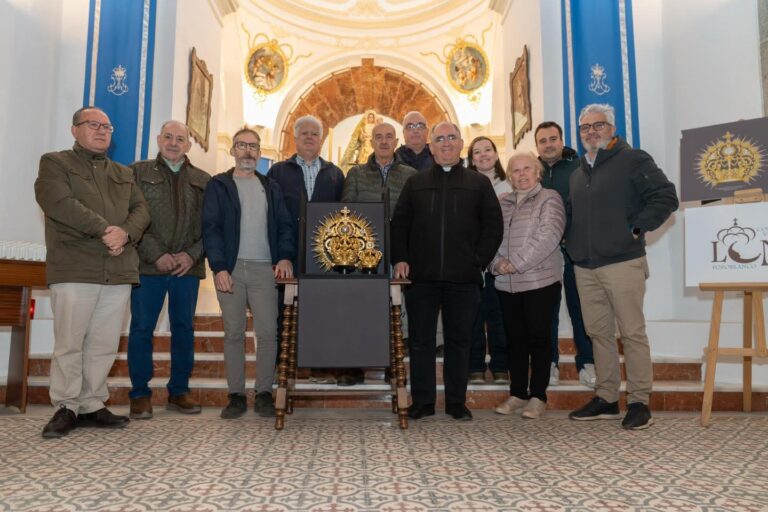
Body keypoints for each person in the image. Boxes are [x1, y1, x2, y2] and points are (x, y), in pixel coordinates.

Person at [34, 106, 150, 438]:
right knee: (70, 343)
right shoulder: (55, 163)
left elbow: (141, 210)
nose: (101, 131)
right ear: (75, 130)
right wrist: (105, 231)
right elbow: (59, 203)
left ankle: (91, 403)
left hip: (118, 268)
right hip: (75, 267)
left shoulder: (123, 172)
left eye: (107, 127)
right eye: (93, 124)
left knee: (104, 343)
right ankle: (66, 406)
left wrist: (125, 233)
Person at [567, 104, 678, 430]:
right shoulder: (577, 174)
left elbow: (666, 196)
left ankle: (640, 401)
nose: (591, 132)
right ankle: (606, 398)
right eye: (585, 127)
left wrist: (637, 228)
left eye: (598, 125)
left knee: (631, 333)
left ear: (612, 128)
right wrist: (573, 243)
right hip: (585, 266)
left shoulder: (633, 159)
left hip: (623, 262)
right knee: (598, 334)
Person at [391, 121, 503, 421]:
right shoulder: (415, 183)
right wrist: (401, 258)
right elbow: (399, 224)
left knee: (459, 341)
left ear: (461, 143)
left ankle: (456, 402)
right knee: (421, 341)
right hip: (422, 278)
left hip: (464, 278)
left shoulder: (478, 183)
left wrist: (478, 260)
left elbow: (493, 226)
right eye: (440, 139)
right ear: (431, 147)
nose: (446, 143)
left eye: (452, 137)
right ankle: (423, 402)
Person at [202, 127, 296, 419]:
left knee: (267, 334)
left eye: (253, 146)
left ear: (259, 152)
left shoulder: (271, 187)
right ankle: (236, 396)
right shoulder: (219, 185)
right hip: (231, 269)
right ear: (233, 150)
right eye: (242, 145)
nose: (248, 151)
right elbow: (211, 228)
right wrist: (218, 267)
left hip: (264, 269)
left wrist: (284, 256)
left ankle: (264, 393)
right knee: (233, 333)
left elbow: (285, 225)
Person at [127, 120, 211, 419]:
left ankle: (179, 391)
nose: (174, 143)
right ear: (158, 139)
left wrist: (191, 255)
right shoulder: (137, 172)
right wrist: (156, 254)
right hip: (149, 267)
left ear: (188, 144)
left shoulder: (203, 179)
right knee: (141, 328)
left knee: (184, 328)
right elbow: (131, 216)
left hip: (187, 269)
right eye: (168, 137)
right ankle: (139, 394)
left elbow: (212, 225)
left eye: (180, 138)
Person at [267, 115, 344, 384]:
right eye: (305, 133)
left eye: (315, 134)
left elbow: (342, 217)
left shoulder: (335, 174)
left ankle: (319, 367)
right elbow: (272, 217)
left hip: (324, 257)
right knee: (283, 310)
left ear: (321, 140)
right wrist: (280, 256)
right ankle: (282, 367)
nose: (310, 137)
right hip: (287, 254)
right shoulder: (278, 172)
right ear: (296, 138)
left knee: (322, 311)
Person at [340, 122, 417, 386]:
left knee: (393, 311)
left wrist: (405, 254)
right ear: (371, 142)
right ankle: (353, 367)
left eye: (388, 137)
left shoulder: (410, 175)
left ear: (396, 142)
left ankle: (391, 365)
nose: (383, 142)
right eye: (378, 137)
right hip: (362, 255)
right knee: (359, 310)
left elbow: (414, 215)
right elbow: (345, 213)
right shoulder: (356, 174)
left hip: (398, 251)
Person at [492, 153, 565, 419]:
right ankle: (517, 394)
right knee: (515, 340)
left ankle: (538, 396)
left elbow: (549, 235)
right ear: (509, 176)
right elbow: (490, 236)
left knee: (539, 338)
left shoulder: (550, 198)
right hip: (507, 283)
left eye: (527, 169)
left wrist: (516, 263)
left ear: (537, 172)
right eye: (515, 170)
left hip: (539, 281)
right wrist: (496, 263)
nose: (521, 174)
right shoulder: (502, 202)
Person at [535, 121, 596, 388]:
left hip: (574, 250)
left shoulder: (579, 167)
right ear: (537, 146)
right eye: (542, 141)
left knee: (579, 308)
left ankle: (587, 362)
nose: (548, 145)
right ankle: (549, 363)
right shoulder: (532, 170)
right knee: (546, 311)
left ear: (561, 140)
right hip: (542, 253)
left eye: (553, 139)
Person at [466, 136, 511, 385]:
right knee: (474, 316)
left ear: (495, 154)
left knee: (499, 316)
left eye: (487, 150)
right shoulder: (466, 186)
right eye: (477, 152)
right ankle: (475, 366)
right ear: (471, 160)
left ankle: (501, 365)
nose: (483, 155)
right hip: (474, 262)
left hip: (503, 262)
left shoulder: (510, 185)